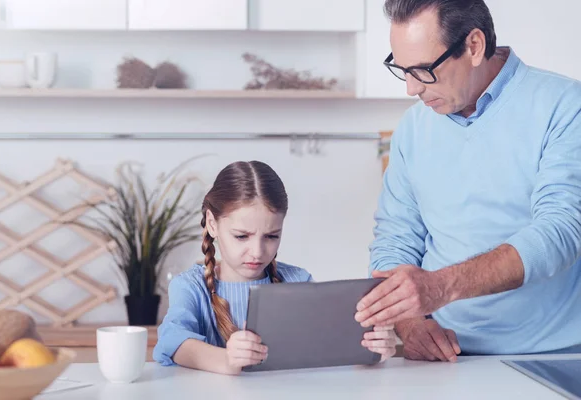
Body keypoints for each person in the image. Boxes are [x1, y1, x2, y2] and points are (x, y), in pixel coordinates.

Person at [354, 0, 581, 362]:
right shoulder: (412, 129)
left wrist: (441, 287)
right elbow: (395, 241)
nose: (411, 88)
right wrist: (411, 323)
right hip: (447, 360)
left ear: (474, 46)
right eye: (402, 70)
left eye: (424, 70)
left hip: (553, 357)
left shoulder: (566, 105)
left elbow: (562, 232)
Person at [154, 161, 397, 374]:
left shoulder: (298, 281)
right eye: (241, 236)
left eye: (271, 236)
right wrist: (227, 360)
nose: (258, 252)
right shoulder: (191, 287)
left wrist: (371, 353)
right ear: (212, 224)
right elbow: (172, 341)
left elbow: (328, 350)